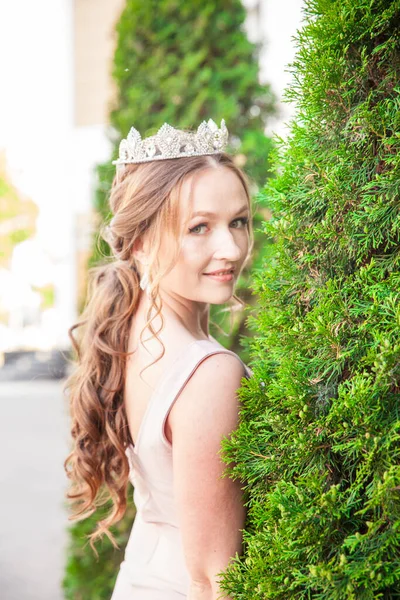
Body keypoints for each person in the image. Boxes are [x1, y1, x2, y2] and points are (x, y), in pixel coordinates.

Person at [64, 118, 254, 600]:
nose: (230, 248)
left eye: (238, 221)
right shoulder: (209, 374)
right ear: (143, 240)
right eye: (199, 228)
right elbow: (215, 583)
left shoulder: (127, 332)